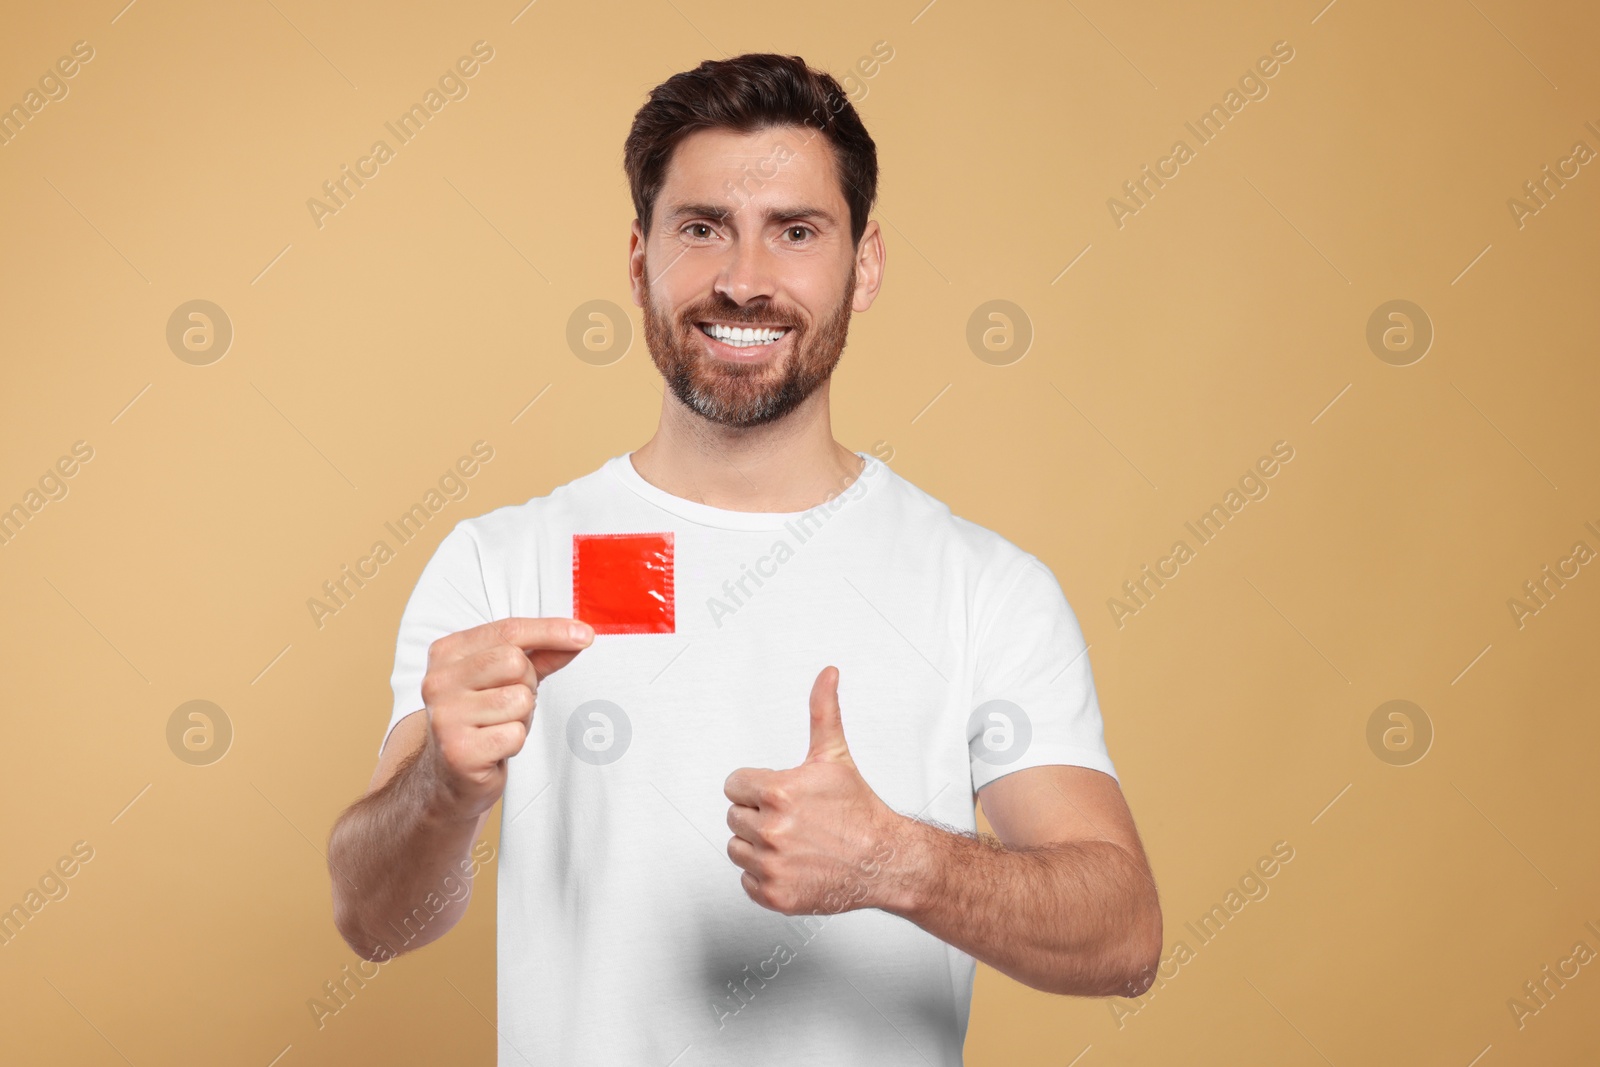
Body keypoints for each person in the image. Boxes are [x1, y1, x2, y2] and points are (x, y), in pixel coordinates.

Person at [327, 52, 1161, 1066]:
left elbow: (1124, 934)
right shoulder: (504, 564)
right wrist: (440, 789)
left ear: (865, 264)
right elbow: (377, 923)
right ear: (638, 260)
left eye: (796, 232)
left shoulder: (983, 586)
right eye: (701, 227)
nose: (744, 279)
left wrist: (897, 861)